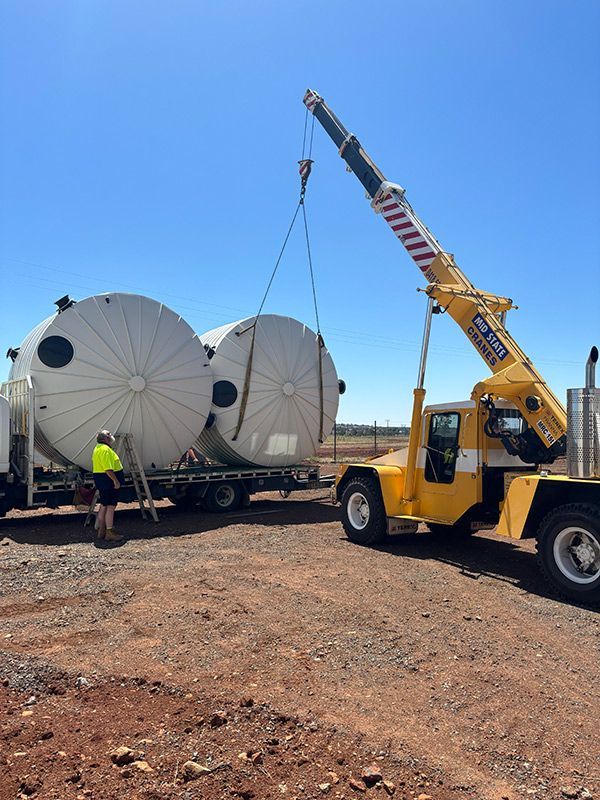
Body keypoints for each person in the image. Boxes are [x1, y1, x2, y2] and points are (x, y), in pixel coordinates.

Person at [92, 430, 125, 542]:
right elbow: (108, 469)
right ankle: (109, 532)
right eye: (109, 434)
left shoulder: (98, 448)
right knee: (110, 507)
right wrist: (116, 481)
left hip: (102, 481)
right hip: (108, 482)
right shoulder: (105, 450)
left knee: (104, 506)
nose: (111, 436)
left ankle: (102, 530)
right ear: (106, 438)